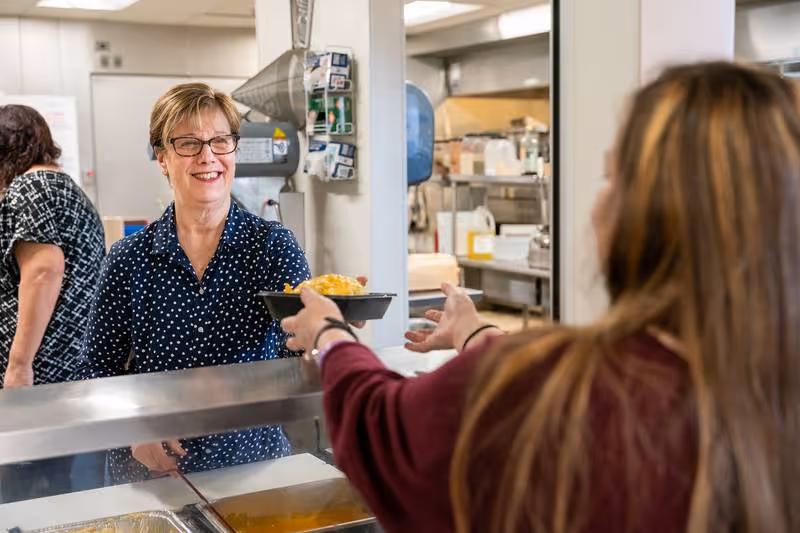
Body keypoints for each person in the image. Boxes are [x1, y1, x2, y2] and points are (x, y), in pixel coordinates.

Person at [281, 61, 800, 533]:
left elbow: (385, 432)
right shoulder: (767, 395)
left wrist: (331, 333)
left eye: (610, 176)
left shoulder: (559, 385)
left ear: (648, 215)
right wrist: (471, 329)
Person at [76, 83, 311, 483]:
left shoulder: (272, 248)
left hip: (253, 467)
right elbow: (95, 371)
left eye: (221, 141)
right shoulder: (129, 259)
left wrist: (328, 329)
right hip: (153, 478)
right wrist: (135, 430)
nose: (208, 157)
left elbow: (299, 355)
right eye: (189, 143)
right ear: (162, 158)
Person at [0, 104, 106, 501]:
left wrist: (19, 366)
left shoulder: (33, 187)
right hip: (62, 378)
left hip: (40, 381)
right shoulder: (66, 188)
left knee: (28, 500)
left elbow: (45, 270)